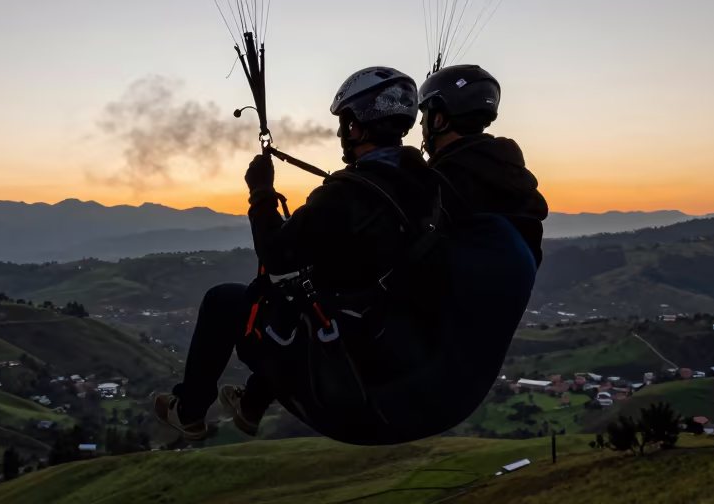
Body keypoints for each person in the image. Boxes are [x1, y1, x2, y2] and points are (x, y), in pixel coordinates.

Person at [154, 66, 436, 441]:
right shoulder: (425, 184)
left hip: (337, 340)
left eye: (345, 123)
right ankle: (252, 405)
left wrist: (261, 194)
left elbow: (275, 255)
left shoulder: (345, 194)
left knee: (227, 300)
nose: (340, 132)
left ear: (358, 127)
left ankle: (188, 411)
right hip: (383, 329)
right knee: (297, 298)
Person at [417, 64, 548, 264]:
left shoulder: (439, 184)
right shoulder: (515, 179)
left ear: (437, 119)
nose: (421, 125)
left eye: (424, 115)